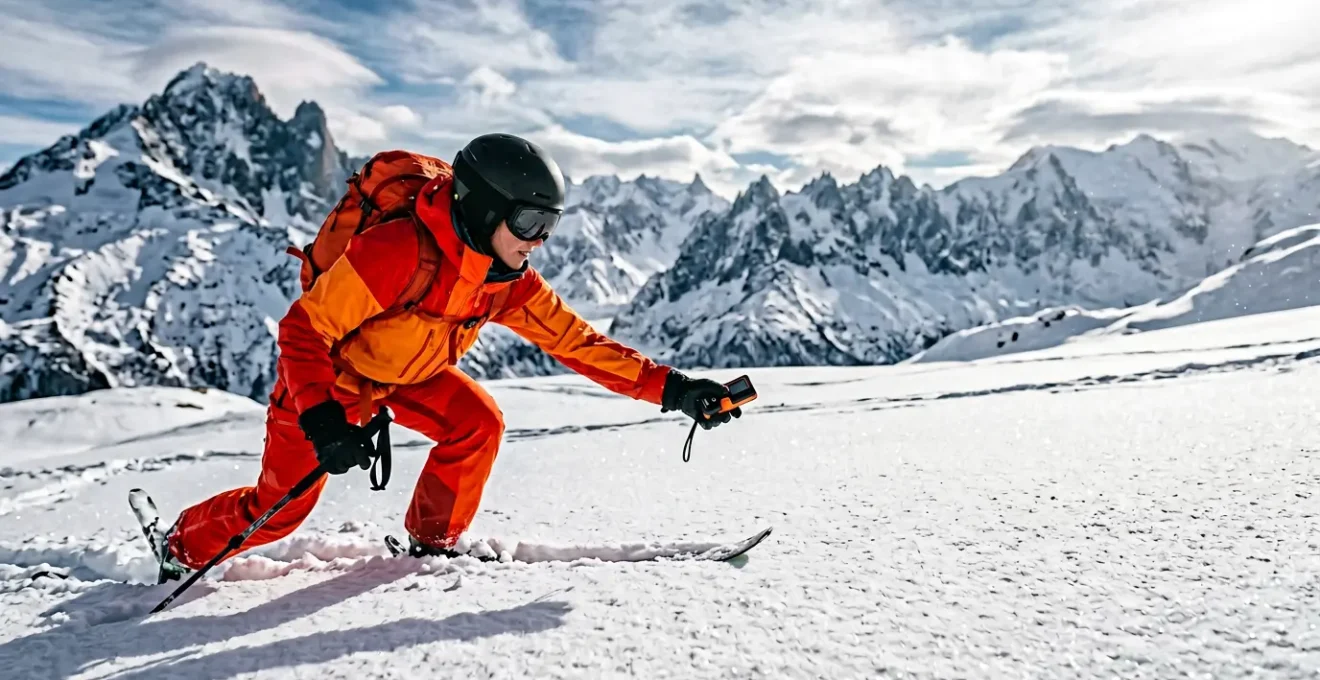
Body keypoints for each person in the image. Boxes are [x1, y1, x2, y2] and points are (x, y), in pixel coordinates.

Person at [152, 133, 741, 578]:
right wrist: (323, 418)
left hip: (409, 375)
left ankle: (432, 546)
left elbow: (578, 342)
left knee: (476, 423)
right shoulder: (398, 250)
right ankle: (179, 546)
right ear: (487, 209)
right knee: (279, 510)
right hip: (333, 378)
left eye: (551, 225)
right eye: (530, 221)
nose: (540, 241)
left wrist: (673, 389)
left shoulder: (507, 279)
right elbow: (303, 330)